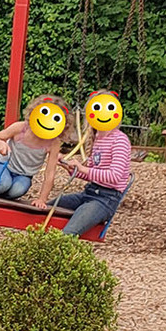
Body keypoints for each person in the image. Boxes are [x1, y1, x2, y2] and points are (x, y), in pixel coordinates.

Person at [51, 89, 133, 236]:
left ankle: (58, 255)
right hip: (89, 193)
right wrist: (69, 167)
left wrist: (83, 169)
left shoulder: (120, 140)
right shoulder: (98, 138)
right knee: (48, 207)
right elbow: (93, 175)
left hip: (105, 200)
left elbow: (114, 177)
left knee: (69, 232)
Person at [0, 96, 69, 208]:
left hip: (24, 175)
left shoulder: (53, 142)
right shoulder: (20, 128)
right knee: (3, 184)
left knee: (17, 191)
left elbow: (50, 173)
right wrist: (1, 144)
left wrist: (42, 199)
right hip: (4, 165)